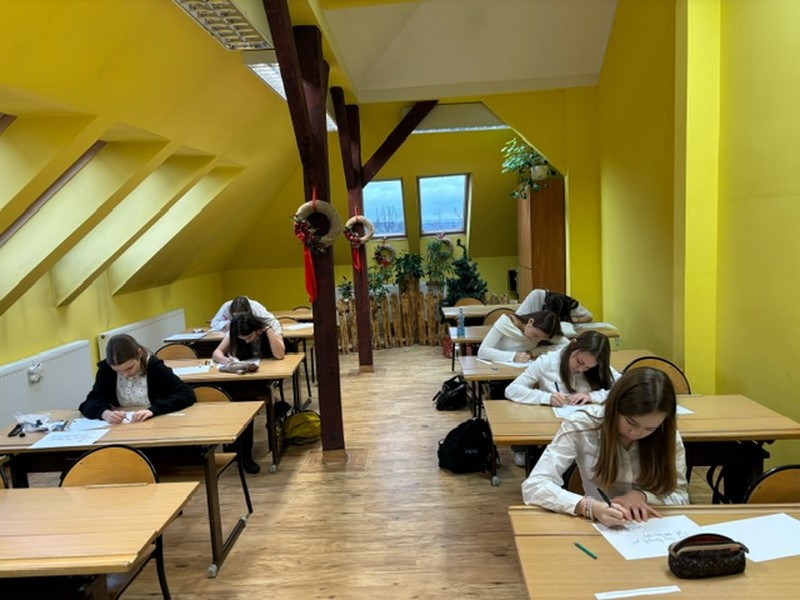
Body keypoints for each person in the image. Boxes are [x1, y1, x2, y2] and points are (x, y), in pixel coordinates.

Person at [521, 368, 689, 526]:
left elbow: (681, 496)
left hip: (650, 525)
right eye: (631, 422)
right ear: (615, 407)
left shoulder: (666, 435)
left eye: (650, 428)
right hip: (597, 523)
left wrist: (643, 496)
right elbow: (535, 485)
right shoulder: (581, 425)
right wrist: (588, 506)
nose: (636, 433)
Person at [211, 313, 286, 474]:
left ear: (257, 329)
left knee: (246, 402)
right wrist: (227, 361)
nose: (246, 341)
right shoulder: (236, 330)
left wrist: (267, 330)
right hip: (240, 378)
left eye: (249, 337)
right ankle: (238, 451)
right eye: (242, 339)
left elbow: (280, 355)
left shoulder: (268, 328)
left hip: (262, 379)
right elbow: (217, 353)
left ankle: (245, 454)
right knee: (234, 401)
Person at [80, 334, 195, 424]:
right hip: (122, 428)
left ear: (139, 354)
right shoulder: (106, 370)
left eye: (129, 368)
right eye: (118, 371)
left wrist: (153, 410)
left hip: (155, 424)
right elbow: (91, 401)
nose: (125, 374)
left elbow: (187, 394)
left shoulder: (155, 368)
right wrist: (104, 413)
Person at [505, 331, 619, 406]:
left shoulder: (596, 363)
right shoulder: (547, 361)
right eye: (579, 362)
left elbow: (623, 388)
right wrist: (547, 397)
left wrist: (592, 396)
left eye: (588, 368)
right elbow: (512, 390)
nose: (581, 369)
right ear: (573, 345)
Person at [477, 310, 566, 364]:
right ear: (530, 322)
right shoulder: (506, 322)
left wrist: (534, 352)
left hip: (523, 370)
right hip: (498, 368)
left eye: (541, 339)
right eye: (535, 335)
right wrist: (514, 356)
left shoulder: (544, 333)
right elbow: (482, 351)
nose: (537, 340)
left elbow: (566, 345)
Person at [516, 288, 593, 323]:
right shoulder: (536, 296)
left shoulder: (568, 303)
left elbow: (589, 316)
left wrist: (573, 320)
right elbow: (517, 319)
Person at [209, 295, 278, 331]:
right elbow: (214, 323)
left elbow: (271, 320)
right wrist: (225, 325)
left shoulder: (255, 307)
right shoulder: (226, 306)